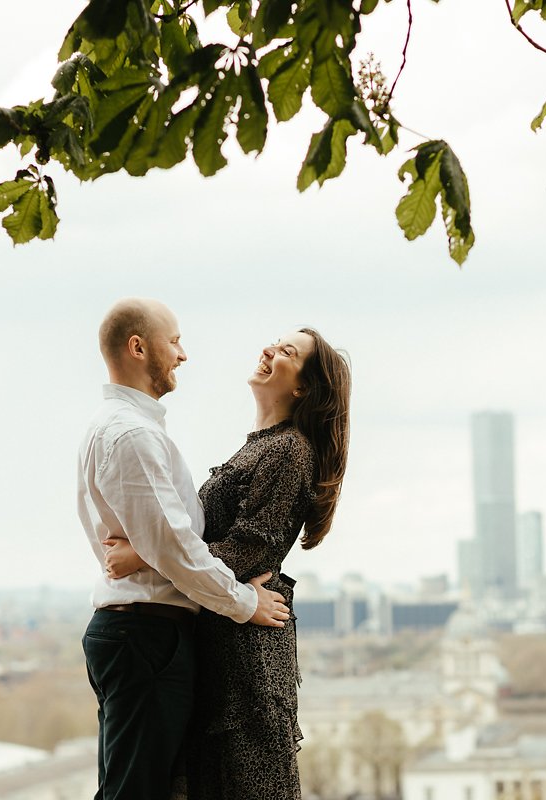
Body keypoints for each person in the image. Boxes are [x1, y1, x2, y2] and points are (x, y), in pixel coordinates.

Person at [105, 326, 351, 800]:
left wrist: (144, 555)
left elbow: (246, 551)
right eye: (275, 342)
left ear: (303, 387)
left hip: (247, 659)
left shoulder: (289, 451)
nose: (269, 349)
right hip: (224, 640)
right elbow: (198, 537)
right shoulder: (260, 445)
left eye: (287, 352)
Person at [76, 297, 292, 800]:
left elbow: (160, 542)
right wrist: (245, 603)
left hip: (138, 632)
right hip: (148, 635)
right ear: (138, 347)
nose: (183, 354)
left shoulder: (120, 427)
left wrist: (146, 553)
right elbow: (175, 547)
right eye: (174, 341)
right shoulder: (131, 434)